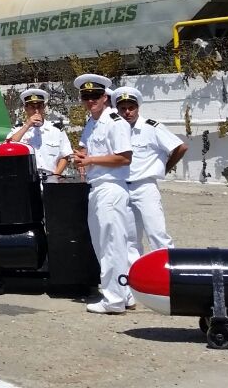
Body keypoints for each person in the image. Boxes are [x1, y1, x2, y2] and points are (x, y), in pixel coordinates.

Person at [72, 73, 136, 315]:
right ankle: (125, 293)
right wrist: (80, 156)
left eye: (95, 96)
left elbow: (124, 157)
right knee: (108, 244)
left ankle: (113, 299)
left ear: (105, 97)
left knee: (111, 245)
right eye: (86, 97)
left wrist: (90, 159)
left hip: (111, 187)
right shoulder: (92, 123)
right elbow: (84, 148)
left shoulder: (115, 122)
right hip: (97, 186)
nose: (91, 101)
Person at [112, 87, 187, 255]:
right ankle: (134, 276)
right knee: (130, 237)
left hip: (145, 186)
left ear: (138, 108)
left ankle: (167, 273)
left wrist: (164, 168)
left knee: (157, 233)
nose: (127, 112)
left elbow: (180, 147)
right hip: (123, 187)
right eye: (123, 108)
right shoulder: (116, 129)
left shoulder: (151, 128)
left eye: (131, 108)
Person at [7, 88, 72, 177]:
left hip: (50, 178)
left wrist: (55, 176)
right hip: (26, 179)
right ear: (25, 108)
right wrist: (27, 125)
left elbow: (65, 155)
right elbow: (8, 147)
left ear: (44, 107)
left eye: (39, 107)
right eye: (32, 107)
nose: (36, 111)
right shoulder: (18, 130)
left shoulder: (56, 130)